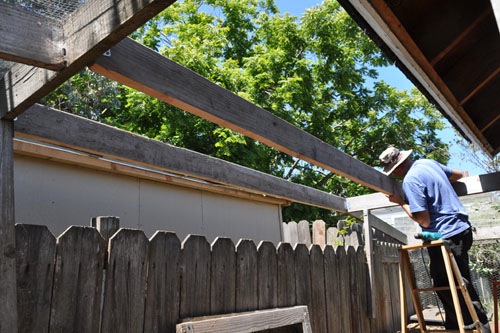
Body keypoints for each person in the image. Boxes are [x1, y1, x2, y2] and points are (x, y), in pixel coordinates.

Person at [378, 146, 490, 332]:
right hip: (462, 229)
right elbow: (458, 174)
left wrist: (402, 203)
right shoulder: (427, 163)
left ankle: (476, 327)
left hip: (446, 235)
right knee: (458, 281)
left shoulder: (411, 180)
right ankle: (459, 325)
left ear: (396, 168)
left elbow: (424, 219)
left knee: (450, 284)